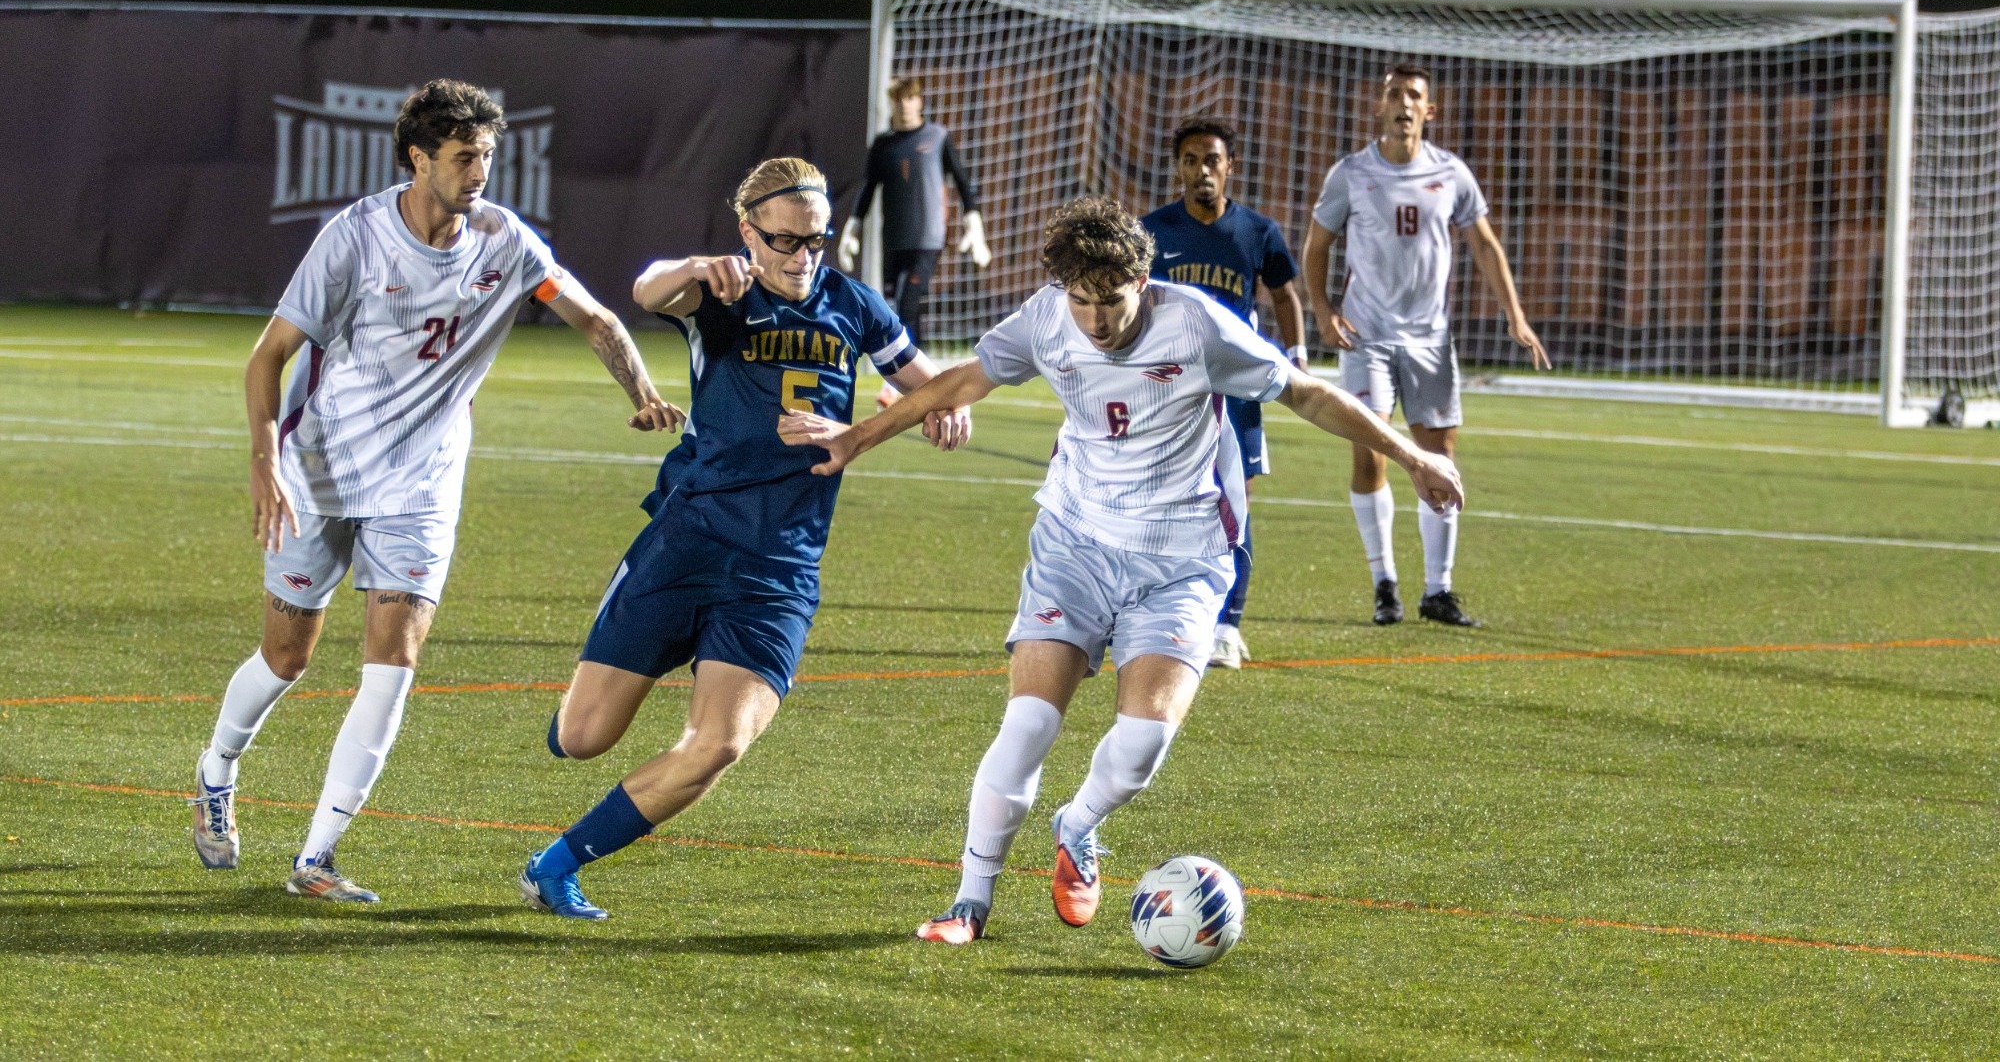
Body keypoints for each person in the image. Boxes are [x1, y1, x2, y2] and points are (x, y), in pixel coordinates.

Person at [779, 197, 1462, 943]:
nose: (1095, 321)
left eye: (1111, 300)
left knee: (1141, 747)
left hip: (1183, 557)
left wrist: (1413, 454)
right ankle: (968, 905)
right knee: (1027, 725)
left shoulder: (1196, 323)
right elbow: (962, 381)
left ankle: (1079, 822)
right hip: (1074, 542)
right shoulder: (1045, 318)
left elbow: (1308, 394)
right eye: (1080, 301)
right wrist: (859, 437)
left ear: (1144, 278)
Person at [189, 79, 683, 902]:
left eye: (488, 153)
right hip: (321, 471)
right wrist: (262, 460)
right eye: (463, 156)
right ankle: (216, 768)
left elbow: (593, 316)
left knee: (393, 662)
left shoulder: (505, 241)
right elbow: (268, 355)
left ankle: (317, 857)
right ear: (418, 159)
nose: (479, 170)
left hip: (420, 487)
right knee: (288, 655)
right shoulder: (355, 238)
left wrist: (640, 391)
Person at [518, 158, 972, 920]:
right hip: (688, 538)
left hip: (780, 562)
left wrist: (920, 410)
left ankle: (556, 863)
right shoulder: (720, 292)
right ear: (748, 233)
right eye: (785, 241)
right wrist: (698, 265)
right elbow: (645, 289)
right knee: (584, 735)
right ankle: (596, 697)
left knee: (718, 744)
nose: (802, 258)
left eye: (817, 242)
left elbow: (937, 384)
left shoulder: (854, 306)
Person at [1301, 63, 1550, 629]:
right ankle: (1384, 582)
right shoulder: (1351, 173)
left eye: (1414, 95)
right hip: (1367, 336)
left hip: (1431, 341)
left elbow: (1484, 244)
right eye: (1394, 93)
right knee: (1369, 454)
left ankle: (1438, 590)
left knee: (1440, 457)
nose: (1404, 103)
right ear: (1379, 106)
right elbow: (1317, 246)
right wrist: (1322, 310)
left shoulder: (1451, 173)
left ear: (1429, 111)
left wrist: (1515, 315)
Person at [1140, 118, 1307, 670]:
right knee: (1155, 493)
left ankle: (1227, 628)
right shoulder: (1151, 231)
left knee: (1235, 499)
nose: (1201, 171)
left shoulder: (1256, 232)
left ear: (1229, 166)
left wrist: (1297, 352)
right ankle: (1153, 612)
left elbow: (1284, 293)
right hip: (1169, 383)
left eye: (1211, 159)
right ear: (1178, 168)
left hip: (1234, 384)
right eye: (1190, 160)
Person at [837, 75, 991, 392]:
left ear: (920, 101)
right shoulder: (883, 145)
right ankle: (910, 379)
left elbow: (963, 183)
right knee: (893, 309)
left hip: (927, 239)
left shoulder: (937, 137)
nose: (905, 105)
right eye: (899, 99)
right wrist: (851, 229)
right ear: (892, 103)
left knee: (909, 303)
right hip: (892, 241)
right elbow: (867, 190)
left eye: (911, 98)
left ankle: (900, 385)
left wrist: (975, 226)